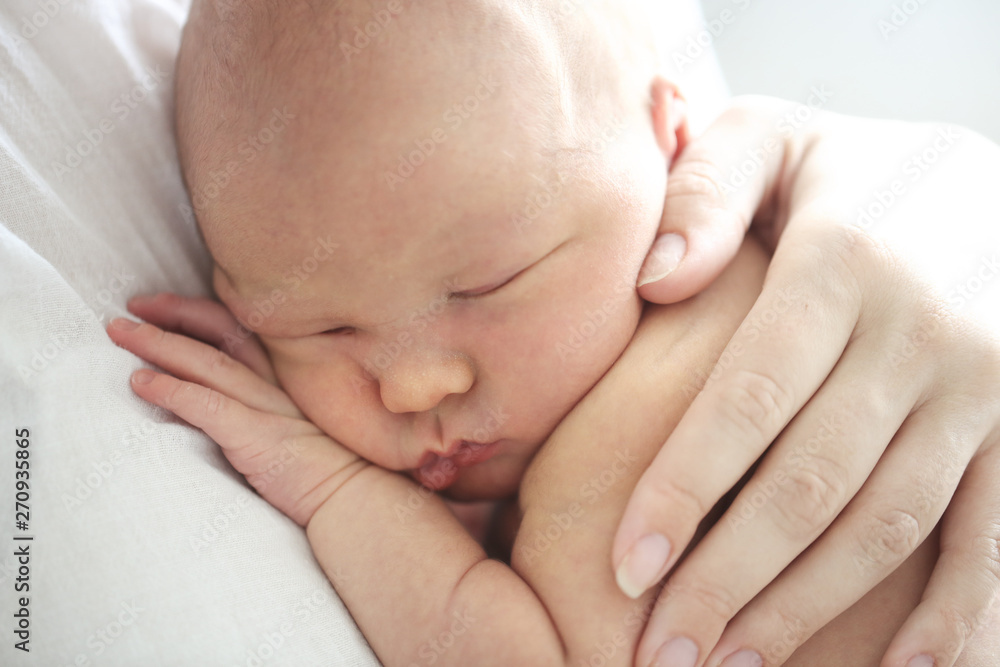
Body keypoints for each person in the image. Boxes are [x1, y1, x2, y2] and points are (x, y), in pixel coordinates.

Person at [107, 0, 1000, 664]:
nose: (413, 387)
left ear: (672, 143)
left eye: (487, 283)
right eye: (320, 325)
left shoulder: (767, 267)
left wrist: (335, 487)